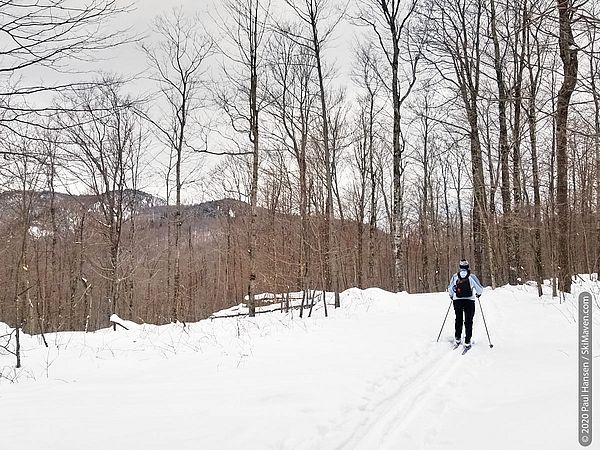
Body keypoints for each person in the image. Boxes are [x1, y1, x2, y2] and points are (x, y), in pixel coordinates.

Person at [447, 259, 483, 348]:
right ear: (467, 266)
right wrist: (478, 294)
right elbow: (479, 288)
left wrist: (452, 296)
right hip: (469, 301)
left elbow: (450, 288)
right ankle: (467, 340)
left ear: (460, 267)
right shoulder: (472, 276)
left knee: (458, 319)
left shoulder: (455, 276)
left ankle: (458, 338)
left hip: (457, 301)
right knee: (468, 321)